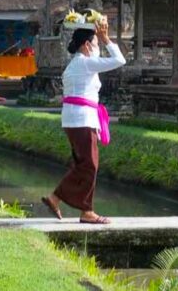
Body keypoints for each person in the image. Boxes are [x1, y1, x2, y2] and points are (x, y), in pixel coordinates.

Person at [42, 18, 125, 224]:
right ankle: (81, 209)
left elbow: (95, 66)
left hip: (74, 120)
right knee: (90, 165)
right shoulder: (86, 63)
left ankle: (66, 201)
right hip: (81, 120)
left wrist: (101, 40)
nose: (98, 48)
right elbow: (119, 60)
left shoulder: (75, 65)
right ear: (87, 45)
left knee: (83, 164)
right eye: (95, 44)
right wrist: (106, 39)